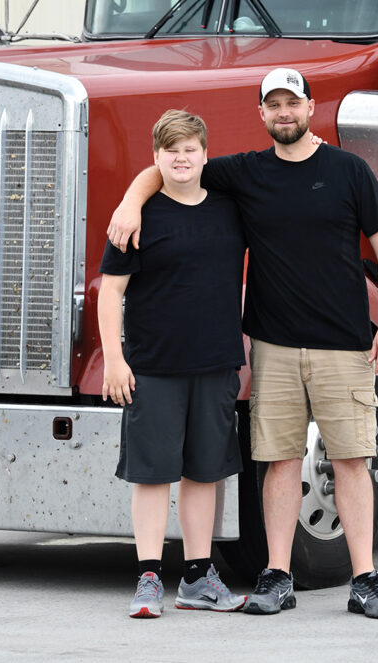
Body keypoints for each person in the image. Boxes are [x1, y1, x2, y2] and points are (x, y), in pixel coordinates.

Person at [107, 69, 378, 619]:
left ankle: (365, 578)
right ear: (262, 114)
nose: (284, 112)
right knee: (280, 462)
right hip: (272, 346)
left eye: (293, 102)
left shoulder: (349, 171)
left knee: (350, 460)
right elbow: (175, 164)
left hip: (344, 346)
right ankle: (277, 576)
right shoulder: (245, 172)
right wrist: (131, 200)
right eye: (274, 104)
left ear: (310, 107)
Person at [98, 109, 247, 618]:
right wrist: (114, 360)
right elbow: (111, 292)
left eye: (190, 149)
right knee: (153, 474)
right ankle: (147, 578)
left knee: (204, 473)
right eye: (171, 150)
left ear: (206, 154)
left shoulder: (230, 207)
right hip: (153, 368)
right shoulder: (136, 217)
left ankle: (198, 578)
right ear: (156, 157)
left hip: (216, 364)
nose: (181, 159)